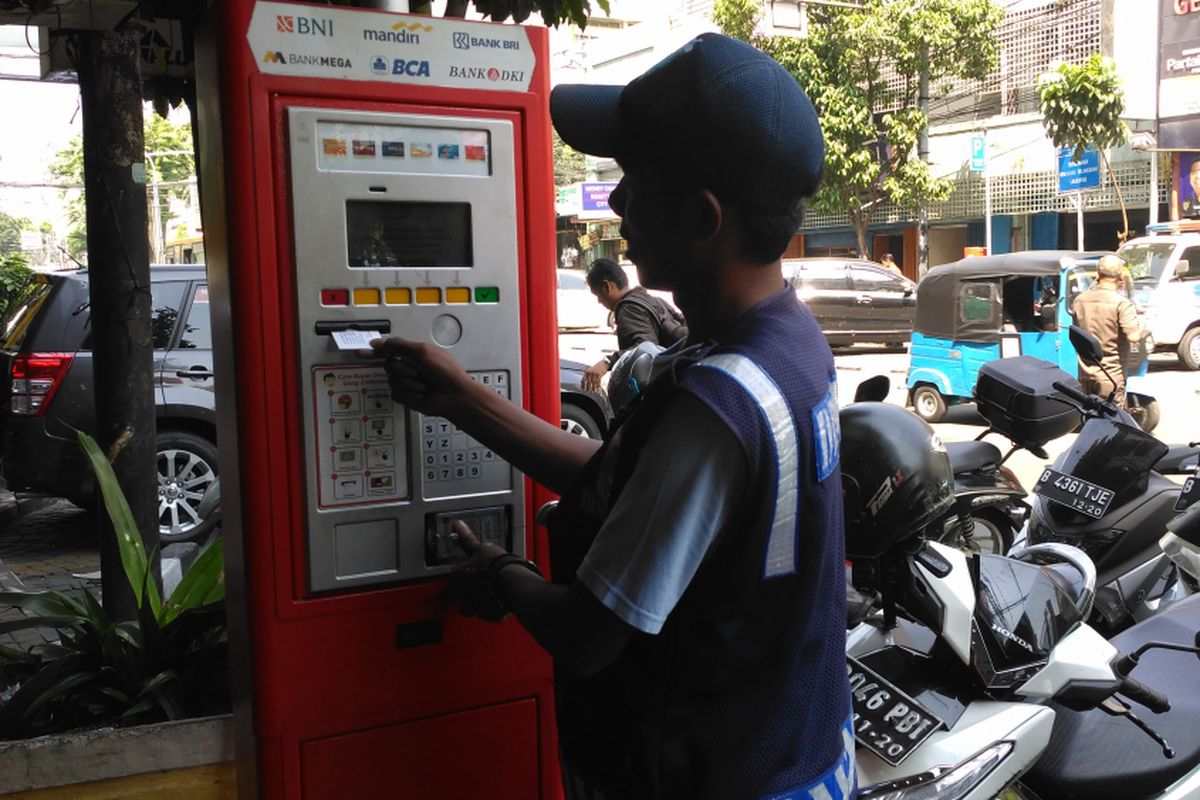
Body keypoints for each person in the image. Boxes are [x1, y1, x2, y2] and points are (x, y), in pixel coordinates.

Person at [369, 33, 852, 800]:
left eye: (635, 180)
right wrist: (463, 400)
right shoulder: (788, 345)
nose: (618, 203)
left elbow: (587, 635)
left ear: (703, 218)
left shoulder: (715, 408)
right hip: (802, 756)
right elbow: (636, 486)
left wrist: (500, 569)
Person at [581, 257, 688, 393]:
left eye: (598, 295)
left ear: (607, 286)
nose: (599, 301)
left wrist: (607, 362)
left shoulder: (628, 308)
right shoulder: (654, 300)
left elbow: (645, 348)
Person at [1072, 253, 1142, 406]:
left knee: (1090, 422)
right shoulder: (1122, 304)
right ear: (1121, 278)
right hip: (1110, 376)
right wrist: (1142, 325)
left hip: (1085, 375)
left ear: (1098, 275)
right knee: (1112, 424)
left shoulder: (1079, 300)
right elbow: (1133, 337)